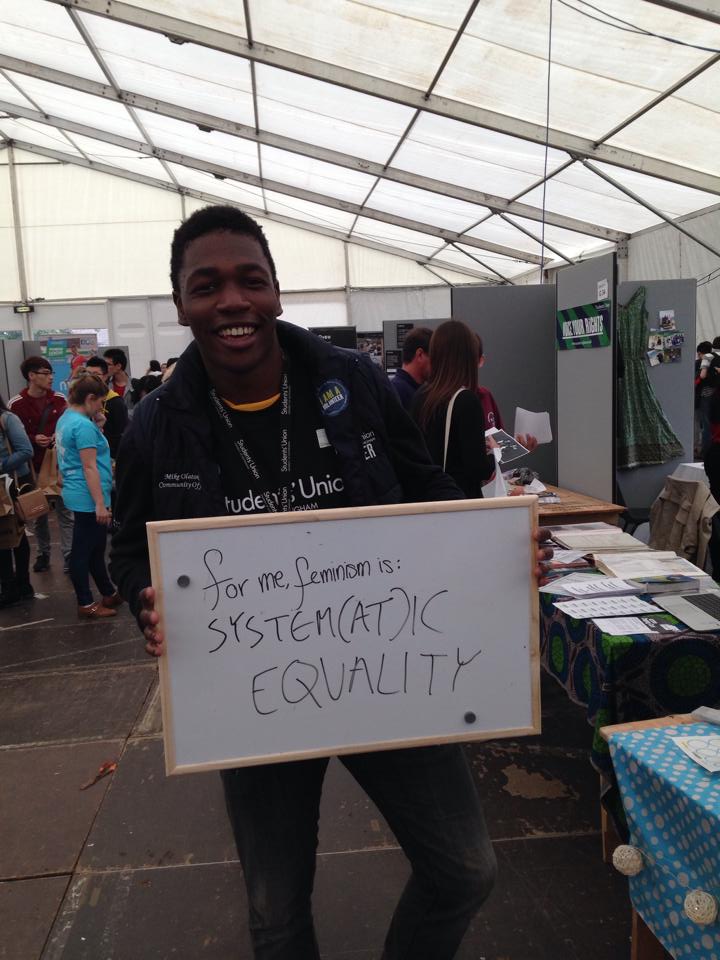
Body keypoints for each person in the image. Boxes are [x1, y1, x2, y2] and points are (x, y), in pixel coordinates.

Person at [110, 204, 552, 960]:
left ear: (276, 292)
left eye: (251, 280)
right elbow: (127, 550)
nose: (233, 301)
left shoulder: (353, 381)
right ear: (181, 303)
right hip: (252, 695)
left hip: (393, 674)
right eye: (206, 286)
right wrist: (144, 600)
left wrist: (494, 545)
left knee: (465, 871)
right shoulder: (156, 424)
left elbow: (426, 486)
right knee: (275, 914)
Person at [56, 374, 122, 619]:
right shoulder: (82, 426)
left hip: (79, 490)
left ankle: (108, 592)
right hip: (88, 494)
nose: (101, 407)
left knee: (95, 547)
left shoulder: (67, 418)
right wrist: (100, 504)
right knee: (83, 550)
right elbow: (89, 466)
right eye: (100, 402)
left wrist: (98, 423)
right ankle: (85, 602)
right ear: (90, 398)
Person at [411, 321, 496, 499]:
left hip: (426, 499)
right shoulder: (466, 401)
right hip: (459, 500)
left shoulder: (421, 396)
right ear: (468, 357)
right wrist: (494, 453)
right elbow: (478, 469)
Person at [8, 356, 74, 573]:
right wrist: (32, 438)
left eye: (51, 373)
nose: (51, 378)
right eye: (45, 373)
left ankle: (69, 556)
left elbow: (68, 425)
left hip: (59, 466)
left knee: (66, 512)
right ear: (31, 376)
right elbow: (11, 437)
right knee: (38, 514)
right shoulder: (16, 404)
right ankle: (43, 554)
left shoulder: (59, 399)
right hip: (32, 469)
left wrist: (57, 436)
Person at [0, 393, 34, 607]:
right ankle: (13, 585)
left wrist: (1, 465)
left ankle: (19, 584)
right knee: (6, 536)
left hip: (10, 484)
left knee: (15, 534)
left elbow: (26, 450)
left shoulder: (7, 418)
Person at [475, 337, 538, 452]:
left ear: (481, 360)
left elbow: (500, 446)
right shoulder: (447, 401)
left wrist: (519, 448)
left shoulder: (485, 396)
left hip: (490, 464)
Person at [84, 356, 129, 459]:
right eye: (88, 374)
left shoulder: (116, 402)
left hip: (109, 457)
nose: (91, 378)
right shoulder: (82, 401)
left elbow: (122, 435)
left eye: (96, 374)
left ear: (105, 376)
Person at [390, 326, 432, 410]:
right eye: (435, 357)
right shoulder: (399, 393)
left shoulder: (397, 389)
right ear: (420, 355)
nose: (438, 364)